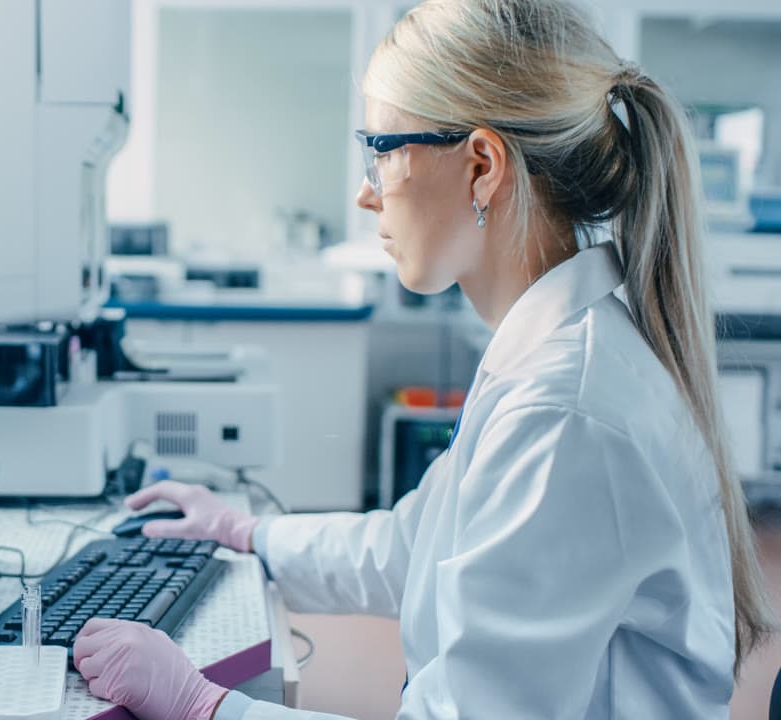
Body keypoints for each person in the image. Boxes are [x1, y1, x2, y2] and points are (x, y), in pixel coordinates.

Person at [70, 0, 773, 717]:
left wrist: (199, 704)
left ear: (481, 166)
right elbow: (418, 546)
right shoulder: (553, 352)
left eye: (381, 149)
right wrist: (247, 534)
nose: (365, 192)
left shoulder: (567, 414)